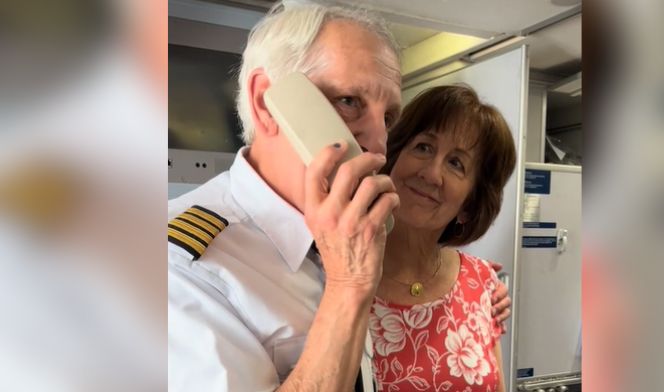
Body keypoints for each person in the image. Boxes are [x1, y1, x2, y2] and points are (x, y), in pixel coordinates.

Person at [168, 2, 510, 391]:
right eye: (349, 102)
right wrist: (350, 285)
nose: (380, 145)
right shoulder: (180, 267)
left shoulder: (346, 235)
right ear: (266, 101)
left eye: (388, 118)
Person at [369, 85, 517, 392]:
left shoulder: (482, 282)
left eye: (456, 164)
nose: (432, 174)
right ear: (394, 157)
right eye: (423, 147)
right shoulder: (342, 274)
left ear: (469, 205)